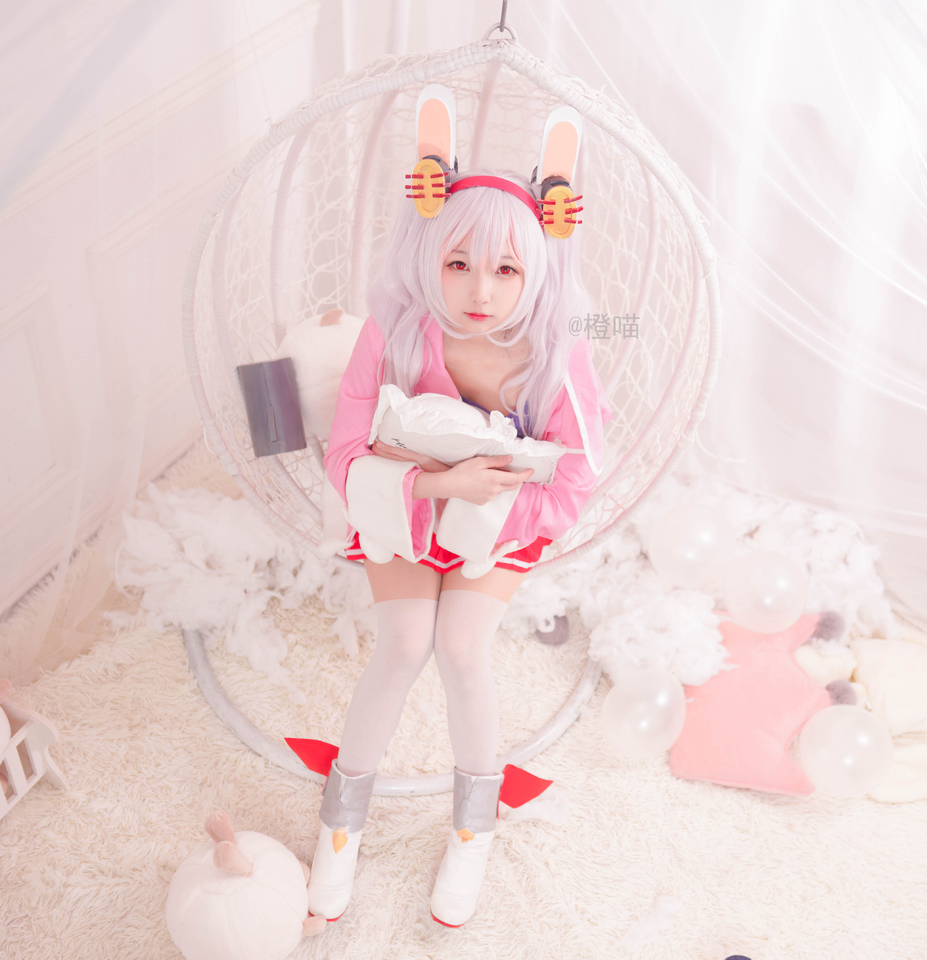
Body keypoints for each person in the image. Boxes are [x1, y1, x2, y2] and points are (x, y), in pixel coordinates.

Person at [310, 93, 608, 929]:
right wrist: (443, 487)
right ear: (426, 255)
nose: (480, 291)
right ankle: (340, 825)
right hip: (408, 508)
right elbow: (343, 455)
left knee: (462, 646)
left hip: (497, 524)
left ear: (537, 269)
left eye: (506, 270)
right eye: (458, 263)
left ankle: (474, 829)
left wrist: (489, 502)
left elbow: (575, 483)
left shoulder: (556, 353)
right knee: (404, 642)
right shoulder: (396, 332)